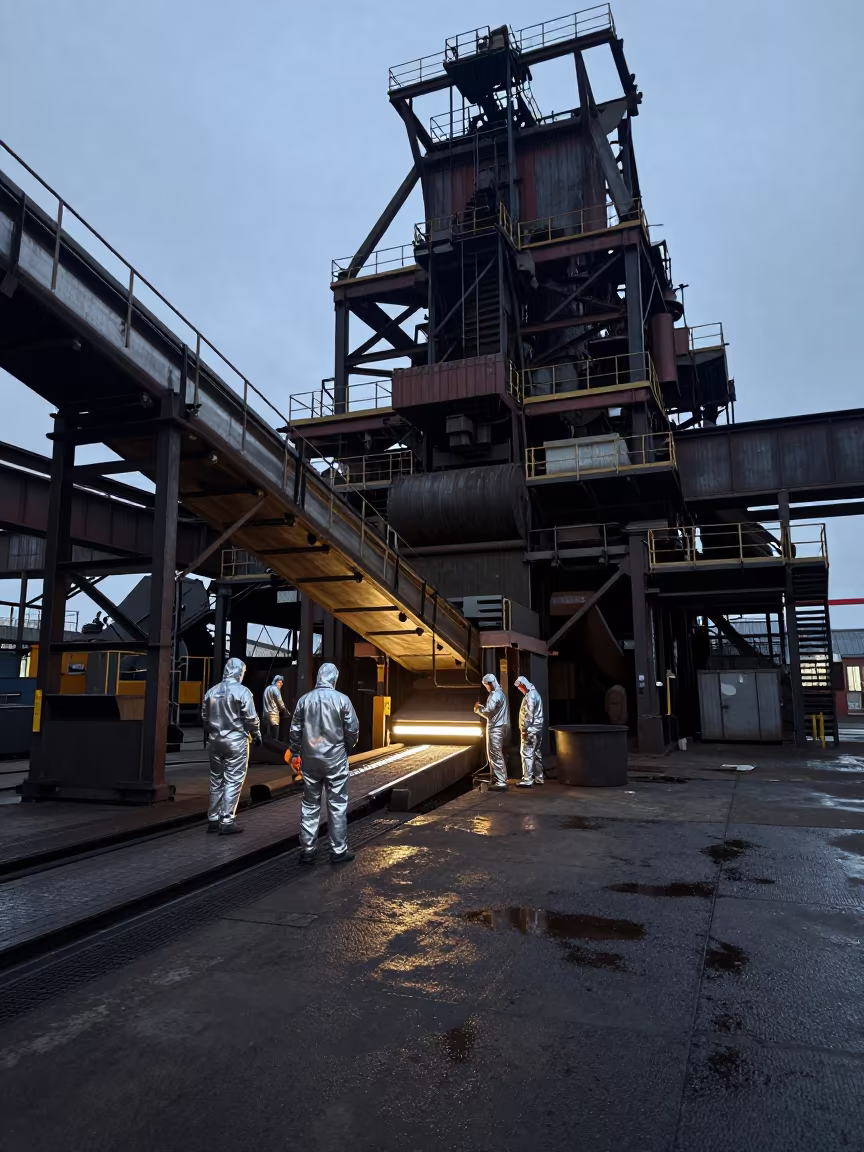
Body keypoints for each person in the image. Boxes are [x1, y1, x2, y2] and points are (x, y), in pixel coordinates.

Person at [289, 662, 359, 866]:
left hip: (310, 760)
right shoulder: (342, 700)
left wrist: (295, 751)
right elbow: (353, 729)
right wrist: (348, 747)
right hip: (335, 759)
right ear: (333, 678)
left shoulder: (304, 700)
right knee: (337, 804)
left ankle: (308, 850)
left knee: (310, 804)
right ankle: (338, 850)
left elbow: (295, 730)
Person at [201, 657, 261, 835]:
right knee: (233, 780)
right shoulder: (243, 692)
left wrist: (211, 732)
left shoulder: (211, 692)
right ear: (239, 673)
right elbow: (250, 718)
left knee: (216, 779)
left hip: (215, 741)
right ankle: (226, 820)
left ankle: (212, 819)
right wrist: (256, 734)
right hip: (236, 741)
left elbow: (204, 716)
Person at [474, 673, 510, 791]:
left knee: (495, 754)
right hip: (500, 727)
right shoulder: (500, 693)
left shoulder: (495, 695)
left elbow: (488, 712)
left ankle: (500, 782)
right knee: (497, 754)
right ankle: (499, 779)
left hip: (495, 728)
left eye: (486, 685)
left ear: (489, 684)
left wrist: (478, 709)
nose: (486, 687)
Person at [514, 675, 545, 787]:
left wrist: (524, 729)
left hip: (530, 730)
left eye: (520, 688)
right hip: (538, 729)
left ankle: (527, 778)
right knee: (536, 752)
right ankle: (539, 777)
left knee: (526, 753)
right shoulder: (536, 694)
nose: (520, 690)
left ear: (523, 685)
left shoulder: (530, 696)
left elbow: (528, 715)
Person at [262, 673, 287, 740]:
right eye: (279, 682)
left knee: (266, 735)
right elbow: (279, 701)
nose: (281, 684)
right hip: (273, 715)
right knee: (274, 737)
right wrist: (284, 709)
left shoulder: (267, 688)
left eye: (281, 683)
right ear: (275, 682)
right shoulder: (275, 689)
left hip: (265, 714)